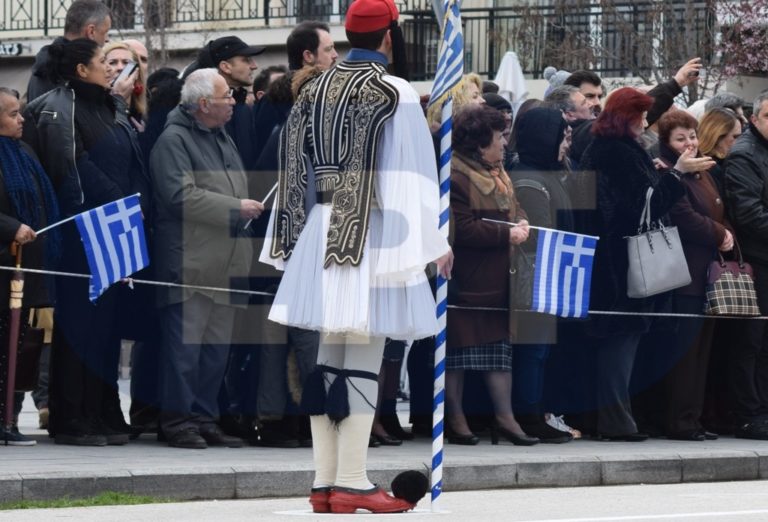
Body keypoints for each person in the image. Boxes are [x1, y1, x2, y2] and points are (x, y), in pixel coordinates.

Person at [260, 0, 452, 513]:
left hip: (322, 227)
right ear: (390, 36)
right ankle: (351, 479)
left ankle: (326, 483)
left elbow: (292, 174)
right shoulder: (393, 91)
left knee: (330, 357)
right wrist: (433, 243)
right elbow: (409, 174)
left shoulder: (313, 86)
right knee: (363, 349)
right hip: (371, 230)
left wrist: (290, 237)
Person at [23, 38, 148, 446]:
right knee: (80, 324)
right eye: (101, 61)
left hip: (117, 225)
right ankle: (72, 414)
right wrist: (117, 199)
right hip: (81, 232)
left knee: (107, 327)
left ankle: (104, 409)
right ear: (80, 70)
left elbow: (130, 156)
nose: (110, 68)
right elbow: (72, 168)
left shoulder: (110, 105)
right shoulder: (59, 108)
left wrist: (135, 200)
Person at [149, 68, 263, 449]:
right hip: (191, 263)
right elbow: (179, 196)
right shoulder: (173, 140)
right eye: (226, 96)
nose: (234, 101)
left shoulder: (222, 136)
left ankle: (204, 417)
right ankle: (178, 422)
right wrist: (236, 208)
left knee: (216, 352)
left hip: (225, 262)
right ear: (202, 104)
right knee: (186, 349)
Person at [578, 87, 689, 441]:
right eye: (641, 116)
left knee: (622, 342)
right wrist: (676, 174)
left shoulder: (612, 148)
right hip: (620, 261)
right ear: (628, 118)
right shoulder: (618, 152)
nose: (645, 123)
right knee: (621, 342)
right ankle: (617, 422)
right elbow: (645, 208)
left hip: (616, 258)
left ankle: (616, 420)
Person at [446, 103, 538, 447]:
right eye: (499, 137)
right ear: (479, 143)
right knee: (457, 354)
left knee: (499, 354)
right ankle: (455, 420)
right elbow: (463, 230)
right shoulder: (456, 176)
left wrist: (523, 221)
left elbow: (513, 209)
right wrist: (506, 234)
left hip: (500, 280)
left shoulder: (499, 172)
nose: (504, 143)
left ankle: (506, 419)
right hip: (468, 280)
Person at [654, 110, 726, 440]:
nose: (689, 144)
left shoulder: (702, 171)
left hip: (707, 271)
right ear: (667, 143)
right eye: (680, 139)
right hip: (684, 273)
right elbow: (682, 215)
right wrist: (718, 232)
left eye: (692, 136)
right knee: (685, 352)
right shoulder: (669, 172)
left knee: (703, 352)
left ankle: (693, 418)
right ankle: (679, 420)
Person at [508, 107, 575, 444]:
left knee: (540, 350)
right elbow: (539, 233)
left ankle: (536, 411)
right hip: (536, 276)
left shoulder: (546, 172)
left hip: (549, 275)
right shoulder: (530, 178)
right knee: (532, 350)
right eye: (562, 136)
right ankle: (529, 414)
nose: (567, 143)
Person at [0, 87, 61, 445]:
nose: (21, 119)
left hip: (25, 268)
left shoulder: (23, 151)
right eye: (12, 114)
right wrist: (11, 227)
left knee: (16, 347)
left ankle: (7, 419)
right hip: (4, 261)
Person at [723, 90, 768, 440]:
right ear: (754, 118)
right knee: (750, 342)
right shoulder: (745, 154)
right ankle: (748, 414)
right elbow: (750, 214)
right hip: (756, 260)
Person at [27, 0, 112, 102]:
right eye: (106, 32)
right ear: (91, 32)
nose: (107, 39)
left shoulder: (50, 62)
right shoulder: (68, 70)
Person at [697, 108, 742, 195]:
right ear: (717, 136)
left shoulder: (727, 164)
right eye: (735, 137)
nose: (740, 142)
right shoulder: (710, 168)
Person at [104, 42, 147, 131]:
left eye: (126, 63)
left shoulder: (144, 115)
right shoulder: (97, 111)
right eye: (112, 63)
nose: (120, 68)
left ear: (136, 73)